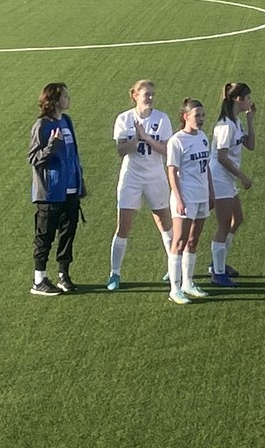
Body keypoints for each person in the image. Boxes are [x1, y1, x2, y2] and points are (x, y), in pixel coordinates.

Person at [108, 80, 173, 291]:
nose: (151, 98)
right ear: (135, 95)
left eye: (153, 94)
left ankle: (174, 267)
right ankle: (114, 273)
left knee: (164, 222)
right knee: (123, 226)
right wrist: (136, 138)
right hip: (131, 178)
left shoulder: (161, 119)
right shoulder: (124, 119)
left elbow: (166, 151)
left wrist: (146, 137)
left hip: (155, 177)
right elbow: (121, 150)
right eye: (147, 94)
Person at [27, 82, 86, 296]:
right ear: (53, 101)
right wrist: (50, 147)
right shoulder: (42, 126)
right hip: (50, 193)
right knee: (45, 236)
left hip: (70, 190)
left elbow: (73, 156)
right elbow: (33, 158)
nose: (68, 99)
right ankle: (39, 280)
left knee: (67, 234)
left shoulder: (67, 121)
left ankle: (63, 275)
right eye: (65, 96)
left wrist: (80, 183)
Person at [165, 98, 214, 304]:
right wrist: (178, 198)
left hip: (201, 196)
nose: (201, 119)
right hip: (185, 197)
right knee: (179, 241)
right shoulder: (177, 140)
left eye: (202, 115)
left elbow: (207, 166)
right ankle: (174, 289)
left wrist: (211, 191)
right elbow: (172, 171)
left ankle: (188, 283)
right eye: (197, 116)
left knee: (193, 241)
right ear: (186, 117)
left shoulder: (202, 137)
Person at [208, 82, 256, 287]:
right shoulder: (226, 126)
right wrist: (242, 176)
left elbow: (251, 145)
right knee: (224, 225)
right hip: (220, 179)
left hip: (227, 179)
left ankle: (218, 262)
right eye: (248, 98)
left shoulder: (236, 122)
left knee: (238, 219)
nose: (250, 102)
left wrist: (250, 120)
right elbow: (221, 157)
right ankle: (217, 272)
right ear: (238, 99)